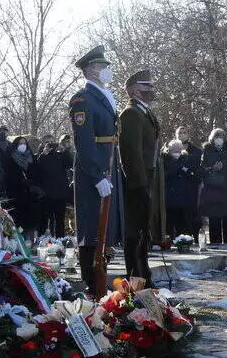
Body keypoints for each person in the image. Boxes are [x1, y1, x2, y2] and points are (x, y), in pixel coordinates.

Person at [69, 45, 123, 295]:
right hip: (95, 170)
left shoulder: (104, 96)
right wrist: (97, 175)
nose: (107, 71)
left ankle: (101, 275)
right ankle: (91, 282)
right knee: (93, 225)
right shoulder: (83, 99)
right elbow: (84, 142)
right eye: (103, 68)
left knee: (106, 224)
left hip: (109, 164)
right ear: (91, 70)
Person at [118, 69, 162, 284]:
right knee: (135, 232)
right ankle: (135, 277)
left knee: (145, 231)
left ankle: (144, 275)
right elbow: (130, 152)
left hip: (148, 179)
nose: (151, 90)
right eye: (147, 86)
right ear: (135, 90)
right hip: (137, 182)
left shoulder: (146, 113)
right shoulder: (130, 113)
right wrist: (139, 184)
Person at [199, 129, 227, 244]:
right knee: (214, 220)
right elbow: (202, 169)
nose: (219, 137)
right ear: (212, 138)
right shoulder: (207, 150)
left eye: (222, 135)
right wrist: (213, 169)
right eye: (217, 135)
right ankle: (216, 244)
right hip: (213, 189)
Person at [32, 136, 72, 237]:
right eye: (47, 142)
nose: (50, 144)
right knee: (45, 220)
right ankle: (43, 240)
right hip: (46, 194)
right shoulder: (39, 155)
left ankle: (60, 240)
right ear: (42, 143)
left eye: (52, 142)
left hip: (60, 193)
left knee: (60, 220)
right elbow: (36, 169)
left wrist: (64, 151)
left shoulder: (60, 154)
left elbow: (70, 164)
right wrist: (44, 154)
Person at [3, 135, 40, 241]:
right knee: (18, 221)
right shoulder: (10, 157)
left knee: (31, 221)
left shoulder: (31, 157)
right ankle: (18, 241)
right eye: (20, 143)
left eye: (24, 143)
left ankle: (30, 241)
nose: (22, 145)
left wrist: (32, 181)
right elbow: (8, 175)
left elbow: (37, 173)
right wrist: (19, 181)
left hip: (31, 195)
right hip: (16, 194)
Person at [173, 126, 204, 242]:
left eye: (184, 132)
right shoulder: (170, 149)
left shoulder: (197, 151)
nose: (181, 135)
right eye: (179, 133)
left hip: (191, 187)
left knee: (192, 215)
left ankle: (195, 239)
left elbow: (199, 170)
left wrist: (190, 173)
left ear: (188, 135)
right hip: (175, 189)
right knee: (178, 216)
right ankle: (179, 241)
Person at [162, 139, 197, 237]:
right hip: (170, 199)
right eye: (174, 151)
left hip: (184, 199)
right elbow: (166, 175)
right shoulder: (165, 161)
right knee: (170, 223)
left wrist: (184, 170)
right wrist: (176, 167)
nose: (176, 153)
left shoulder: (186, 159)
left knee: (184, 224)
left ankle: (185, 240)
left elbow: (192, 175)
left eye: (178, 151)